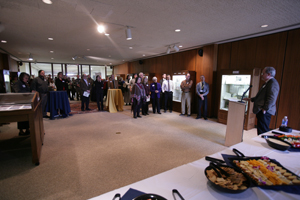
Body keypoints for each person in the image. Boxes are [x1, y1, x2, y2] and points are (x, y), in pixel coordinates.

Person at [244, 67, 280, 135]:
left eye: (263, 73)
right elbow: (261, 97)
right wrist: (251, 99)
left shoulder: (272, 83)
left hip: (265, 111)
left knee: (263, 130)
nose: (262, 75)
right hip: (261, 110)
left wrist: (265, 109)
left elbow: (271, 98)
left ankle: (263, 143)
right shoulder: (266, 83)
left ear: (269, 74)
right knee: (261, 129)